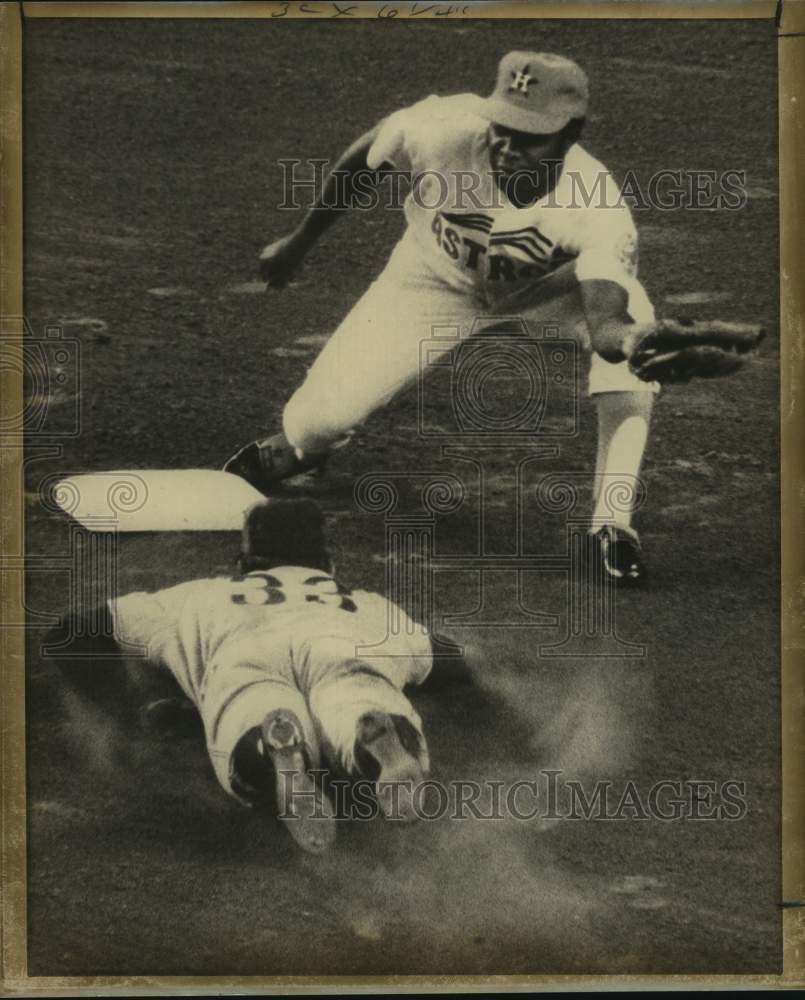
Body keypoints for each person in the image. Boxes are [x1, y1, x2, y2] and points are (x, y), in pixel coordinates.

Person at [224, 51, 664, 584]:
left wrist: (637, 344)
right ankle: (302, 451)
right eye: (503, 127)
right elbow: (364, 160)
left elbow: (606, 325)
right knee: (316, 421)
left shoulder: (598, 207)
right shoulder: (440, 128)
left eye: (530, 138)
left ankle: (611, 527)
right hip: (430, 279)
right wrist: (300, 242)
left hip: (549, 296)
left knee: (638, 341)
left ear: (572, 132)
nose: (507, 147)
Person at [45, 499, 434, 854]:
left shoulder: (197, 596)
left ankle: (274, 750)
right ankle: (369, 734)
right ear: (328, 566)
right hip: (337, 645)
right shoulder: (368, 605)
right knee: (356, 694)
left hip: (244, 660)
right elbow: (442, 657)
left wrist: (127, 714)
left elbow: (70, 634)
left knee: (251, 709)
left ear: (243, 567)